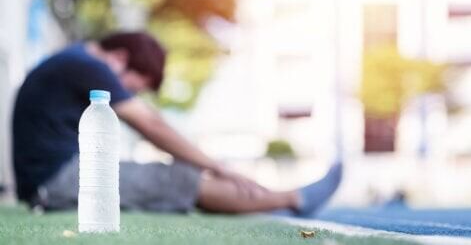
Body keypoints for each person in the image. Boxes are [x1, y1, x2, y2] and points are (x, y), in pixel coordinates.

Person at [13, 32, 342, 215]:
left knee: (177, 175)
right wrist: (217, 166)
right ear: (121, 59)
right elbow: (151, 126)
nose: (126, 94)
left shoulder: (71, 59)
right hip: (57, 182)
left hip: (52, 179)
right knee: (179, 177)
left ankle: (269, 200)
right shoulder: (88, 66)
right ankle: (292, 200)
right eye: (133, 87)